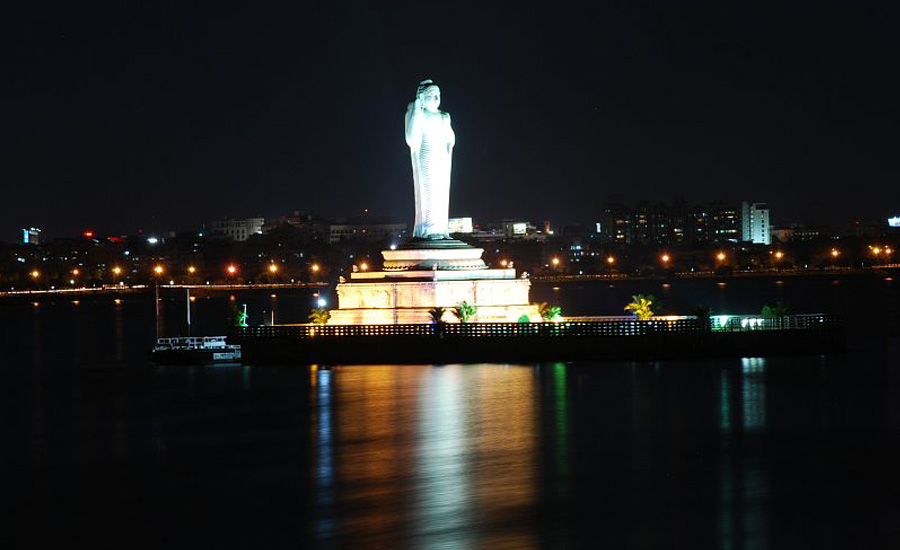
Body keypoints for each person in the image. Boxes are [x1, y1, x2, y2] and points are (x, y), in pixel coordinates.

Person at [405, 79, 455, 239]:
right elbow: (411, 138)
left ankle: (441, 228)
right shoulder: (417, 114)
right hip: (426, 156)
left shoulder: (444, 116)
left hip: (441, 157)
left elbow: (451, 139)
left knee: (440, 193)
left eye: (438, 95)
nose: (435, 99)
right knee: (428, 192)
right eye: (431, 95)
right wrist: (417, 110)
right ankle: (427, 228)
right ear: (421, 97)